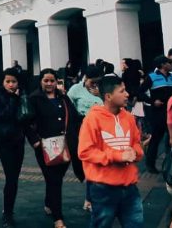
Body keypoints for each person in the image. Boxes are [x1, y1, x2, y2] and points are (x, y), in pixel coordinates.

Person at [78, 75, 144, 228]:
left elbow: (136, 144)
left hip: (130, 187)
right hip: (103, 188)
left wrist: (135, 152)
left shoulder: (128, 117)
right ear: (108, 96)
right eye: (122, 91)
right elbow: (85, 151)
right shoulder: (92, 119)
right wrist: (117, 156)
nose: (127, 94)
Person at [26, 68, 81, 228]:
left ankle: (49, 203)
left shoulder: (63, 98)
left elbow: (75, 117)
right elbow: (26, 122)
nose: (49, 84)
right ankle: (58, 218)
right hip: (45, 146)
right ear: (41, 81)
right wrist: (35, 140)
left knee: (56, 179)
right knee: (54, 180)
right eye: (46, 80)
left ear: (57, 82)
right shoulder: (34, 98)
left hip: (65, 145)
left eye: (52, 81)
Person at [0, 68, 26, 227]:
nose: (11, 85)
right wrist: (13, 99)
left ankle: (8, 210)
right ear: (2, 82)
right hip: (5, 144)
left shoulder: (22, 96)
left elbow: (26, 118)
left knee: (14, 179)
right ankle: (7, 214)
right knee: (10, 178)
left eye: (14, 82)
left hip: (18, 143)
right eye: (8, 81)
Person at [68, 64, 104, 211]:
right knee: (87, 165)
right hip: (82, 129)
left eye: (98, 81)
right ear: (86, 78)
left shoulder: (103, 89)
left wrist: (100, 95)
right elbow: (68, 106)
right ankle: (90, 196)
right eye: (92, 81)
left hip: (102, 130)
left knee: (98, 165)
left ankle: (92, 198)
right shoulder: (76, 89)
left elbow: (113, 104)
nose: (95, 84)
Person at [142, 55, 172, 173]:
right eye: (169, 63)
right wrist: (152, 101)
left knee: (171, 139)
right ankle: (150, 164)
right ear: (162, 65)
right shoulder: (152, 77)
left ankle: (170, 164)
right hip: (158, 114)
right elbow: (140, 92)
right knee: (156, 139)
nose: (171, 65)